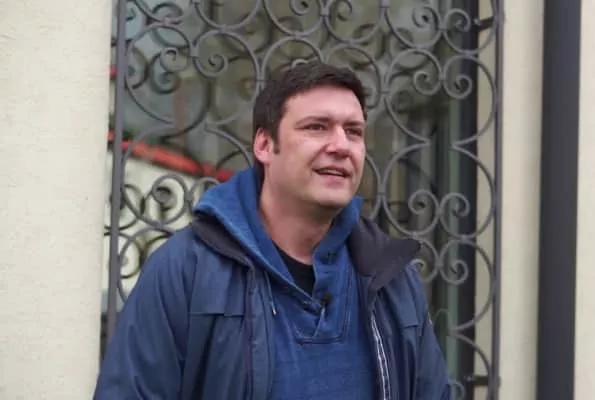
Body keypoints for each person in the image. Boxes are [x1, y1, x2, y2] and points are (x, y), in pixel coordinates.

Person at [94, 61, 451, 400]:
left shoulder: (392, 281)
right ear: (265, 145)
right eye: (317, 127)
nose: (341, 145)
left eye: (353, 131)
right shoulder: (186, 271)